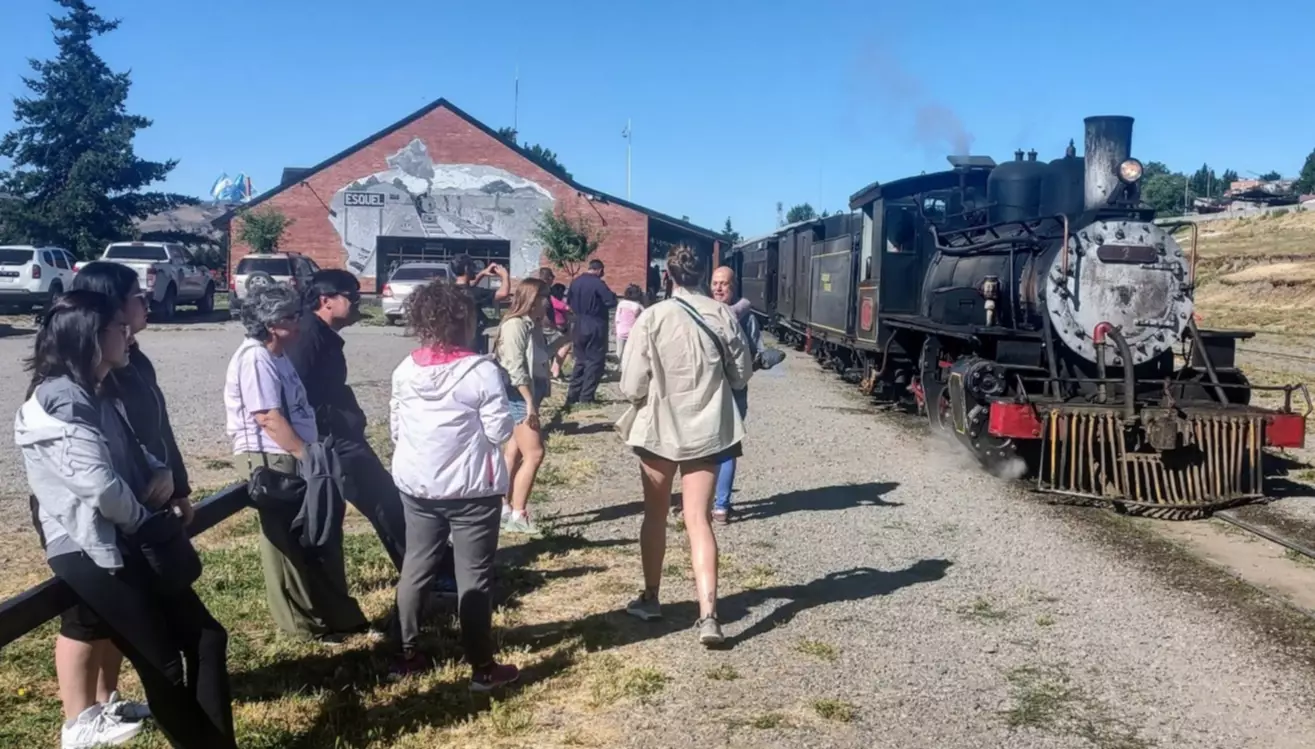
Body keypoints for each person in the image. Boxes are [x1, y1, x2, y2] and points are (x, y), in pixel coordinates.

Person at [17, 291, 235, 748]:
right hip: (92, 550)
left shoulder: (98, 390)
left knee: (207, 638)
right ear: (91, 337)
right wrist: (146, 522)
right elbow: (98, 487)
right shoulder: (61, 398)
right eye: (120, 327)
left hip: (131, 536)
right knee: (164, 665)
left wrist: (161, 472)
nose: (129, 335)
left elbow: (133, 454)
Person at [616, 245, 752, 646]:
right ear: (703, 275)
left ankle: (650, 598)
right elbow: (741, 375)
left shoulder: (652, 317)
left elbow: (631, 385)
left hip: (659, 428)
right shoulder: (722, 315)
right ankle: (708, 615)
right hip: (706, 430)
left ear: (668, 276)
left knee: (655, 515)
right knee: (699, 520)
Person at [387, 281, 519, 691]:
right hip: (472, 491)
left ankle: (406, 654)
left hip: (418, 487)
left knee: (416, 568)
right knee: (474, 578)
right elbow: (499, 431)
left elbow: (396, 428)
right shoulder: (481, 371)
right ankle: (482, 667)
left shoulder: (405, 369)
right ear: (464, 321)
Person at [224, 283, 369, 641]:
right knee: (285, 544)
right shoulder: (255, 357)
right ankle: (302, 626)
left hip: (293, 453)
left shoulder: (278, 355)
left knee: (311, 537)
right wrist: (306, 456)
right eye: (291, 318)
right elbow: (267, 417)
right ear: (271, 324)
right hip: (272, 458)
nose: (299, 324)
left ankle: (329, 614)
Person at [285, 270, 409, 571]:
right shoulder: (308, 337)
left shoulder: (319, 333)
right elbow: (297, 395)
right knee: (383, 501)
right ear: (326, 300)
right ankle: (425, 573)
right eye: (352, 297)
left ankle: (423, 569)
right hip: (331, 439)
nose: (357, 303)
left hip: (339, 435)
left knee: (383, 502)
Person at [496, 277, 563, 535]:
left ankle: (503, 507)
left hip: (528, 392)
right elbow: (515, 367)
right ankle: (518, 513)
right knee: (535, 453)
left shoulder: (532, 325)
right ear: (533, 299)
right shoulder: (515, 325)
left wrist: (566, 338)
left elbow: (540, 357)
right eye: (545, 297)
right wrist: (529, 403)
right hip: (519, 394)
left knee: (513, 452)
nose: (549, 302)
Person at [710, 266, 763, 524]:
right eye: (715, 283)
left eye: (724, 283)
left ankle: (719, 505)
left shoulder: (704, 313)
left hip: (730, 389)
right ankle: (712, 503)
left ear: (734, 286)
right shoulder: (743, 315)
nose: (719, 288)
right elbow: (756, 353)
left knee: (726, 446)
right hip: (715, 388)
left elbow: (756, 352)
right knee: (713, 445)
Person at [564, 259, 617, 407]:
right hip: (595, 324)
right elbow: (610, 301)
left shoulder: (575, 282)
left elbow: (569, 302)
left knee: (580, 361)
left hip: (578, 323)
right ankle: (586, 397)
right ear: (599, 270)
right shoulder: (598, 284)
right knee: (595, 361)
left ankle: (572, 395)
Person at [451, 253, 510, 354]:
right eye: (472, 266)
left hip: (453, 338)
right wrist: (505, 275)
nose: (474, 269)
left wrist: (482, 274)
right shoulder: (474, 293)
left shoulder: (450, 291)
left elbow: (468, 285)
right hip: (473, 340)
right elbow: (503, 293)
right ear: (467, 268)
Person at [537, 268, 572, 381]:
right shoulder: (543, 289)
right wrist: (566, 307)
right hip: (546, 325)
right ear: (549, 278)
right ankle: (554, 370)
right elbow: (552, 303)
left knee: (549, 346)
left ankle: (550, 370)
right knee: (565, 342)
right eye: (552, 277)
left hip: (544, 324)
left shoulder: (538, 287)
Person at [614, 284, 645, 363]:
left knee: (619, 352)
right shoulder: (638, 306)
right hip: (633, 332)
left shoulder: (621, 303)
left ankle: (618, 366)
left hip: (620, 331)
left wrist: (616, 328)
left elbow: (617, 318)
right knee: (631, 353)